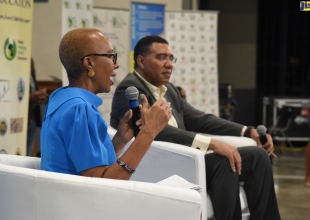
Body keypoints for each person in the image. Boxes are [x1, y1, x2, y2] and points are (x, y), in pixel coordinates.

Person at [110, 35, 281, 220]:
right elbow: (153, 132)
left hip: (189, 158)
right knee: (224, 161)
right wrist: (212, 144)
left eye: (170, 58)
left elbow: (200, 119)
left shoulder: (170, 90)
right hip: (163, 164)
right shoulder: (130, 90)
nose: (169, 64)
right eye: (161, 57)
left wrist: (247, 131)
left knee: (258, 156)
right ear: (141, 61)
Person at [40, 28, 172, 180]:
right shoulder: (80, 109)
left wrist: (120, 139)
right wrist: (149, 131)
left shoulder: (61, 97)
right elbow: (103, 185)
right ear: (89, 63)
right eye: (110, 56)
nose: (116, 65)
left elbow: (92, 167)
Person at [27, 58, 49, 156]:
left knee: (26, 155)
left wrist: (39, 94)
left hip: (32, 114)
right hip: (17, 114)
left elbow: (32, 83)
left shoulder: (29, 59)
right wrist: (29, 97)